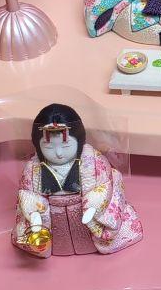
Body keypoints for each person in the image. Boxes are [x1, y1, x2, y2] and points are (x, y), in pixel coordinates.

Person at [13, 103, 143, 257]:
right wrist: (34, 214)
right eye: (49, 147)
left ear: (79, 140)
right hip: (53, 218)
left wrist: (94, 205)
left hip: (84, 213)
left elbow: (106, 185)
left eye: (66, 145)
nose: (59, 153)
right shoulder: (33, 168)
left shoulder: (93, 160)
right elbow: (27, 194)